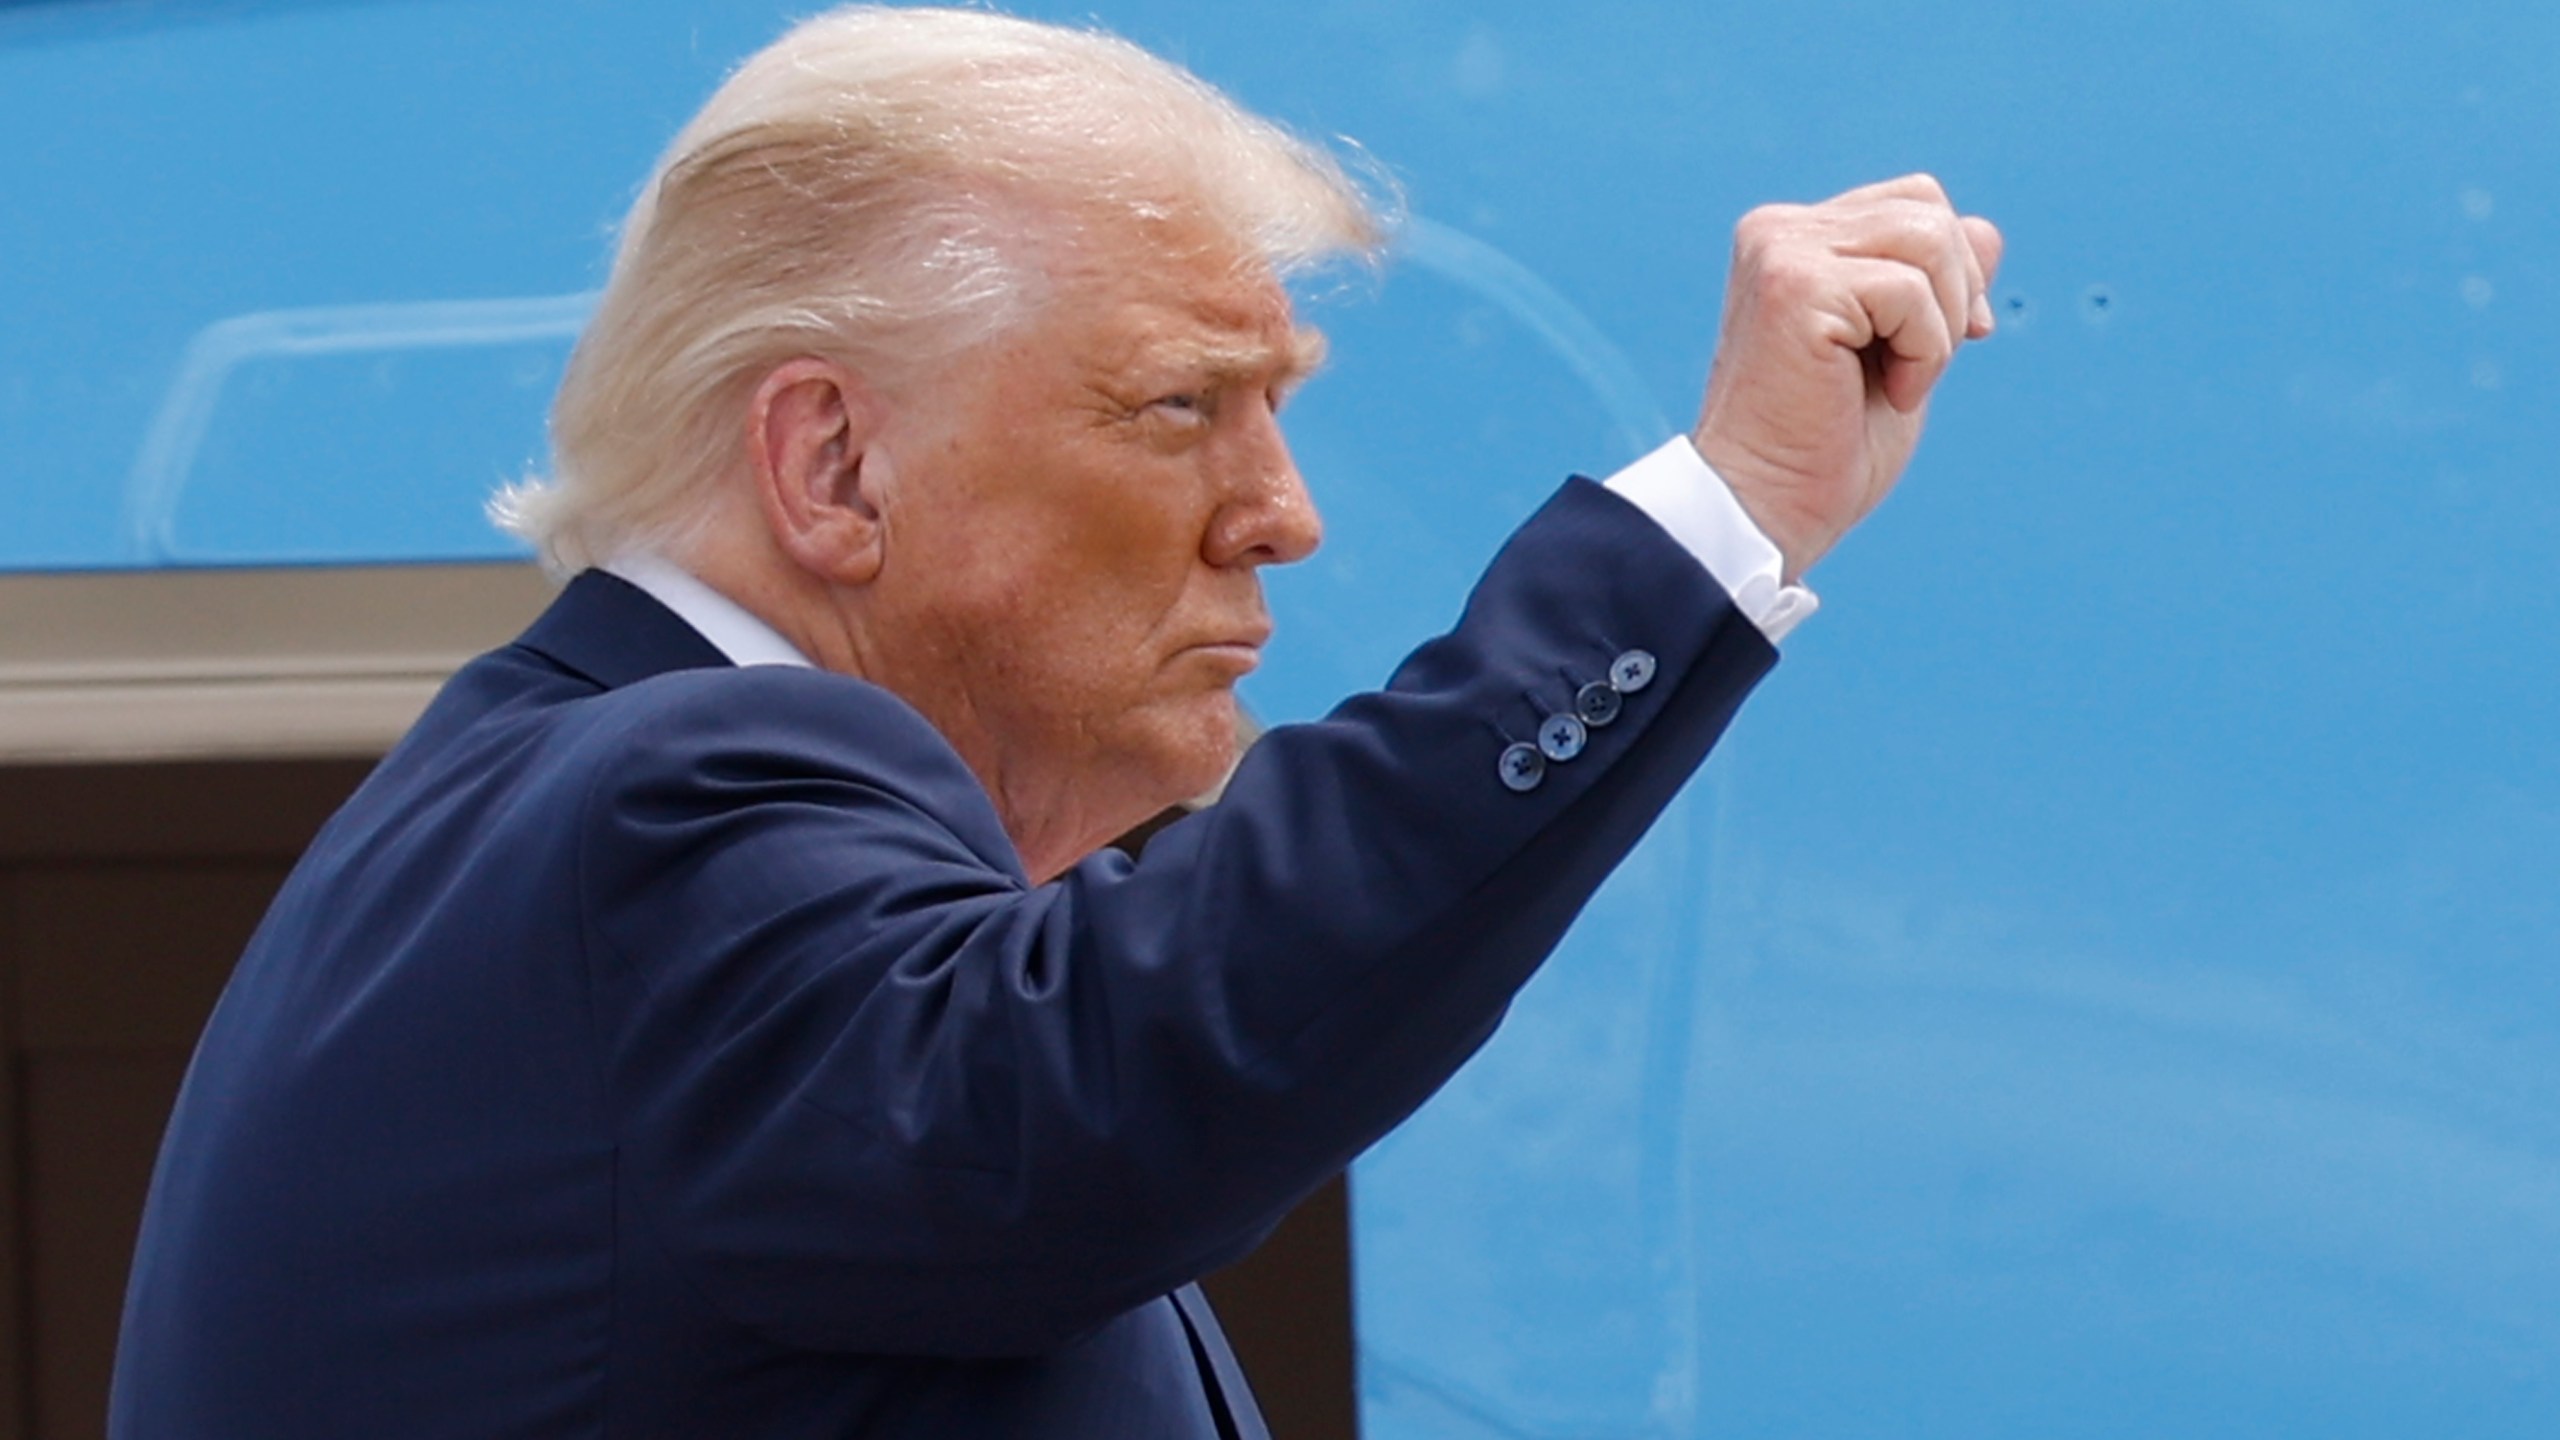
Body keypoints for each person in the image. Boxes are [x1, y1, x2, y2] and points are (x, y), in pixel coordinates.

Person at [111, 6, 2000, 1437]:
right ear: (831, 462)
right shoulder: (667, 800)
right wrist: (1727, 505)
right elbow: (1121, 1067)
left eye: (1277, 406)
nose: (1284, 510)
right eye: (1183, 407)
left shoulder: (545, 815)